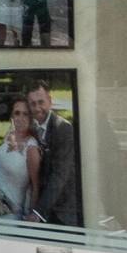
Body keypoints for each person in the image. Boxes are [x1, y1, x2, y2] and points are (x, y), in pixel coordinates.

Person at [26, 83, 80, 228]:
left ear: (50, 101)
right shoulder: (32, 127)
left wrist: (37, 213)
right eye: (32, 104)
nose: (37, 108)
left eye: (41, 102)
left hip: (63, 211)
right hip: (44, 207)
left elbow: (60, 175)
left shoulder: (62, 128)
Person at [0, 102, 39, 220]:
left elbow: (35, 186)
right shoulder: (10, 136)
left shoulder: (31, 148)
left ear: (31, 118)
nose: (20, 118)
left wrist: (31, 218)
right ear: (12, 116)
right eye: (17, 113)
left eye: (25, 114)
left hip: (9, 215)